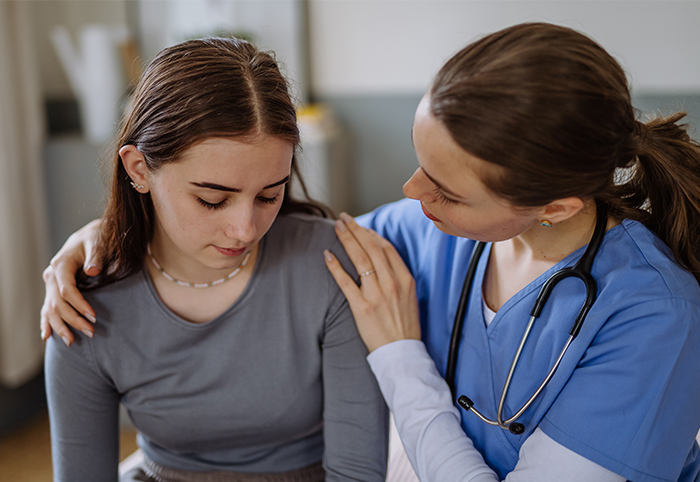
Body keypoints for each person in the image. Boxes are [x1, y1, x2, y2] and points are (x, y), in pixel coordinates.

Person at [41, 23, 700, 481]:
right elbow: (278, 247)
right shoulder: (425, 233)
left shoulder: (652, 314)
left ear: (555, 206)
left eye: (443, 187)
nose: (411, 193)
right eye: (419, 165)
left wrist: (398, 355)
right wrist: (104, 236)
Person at [41, 37, 388, 482]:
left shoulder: (328, 267)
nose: (245, 229)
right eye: (211, 200)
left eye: (269, 195)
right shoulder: (83, 299)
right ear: (139, 170)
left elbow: (355, 474)